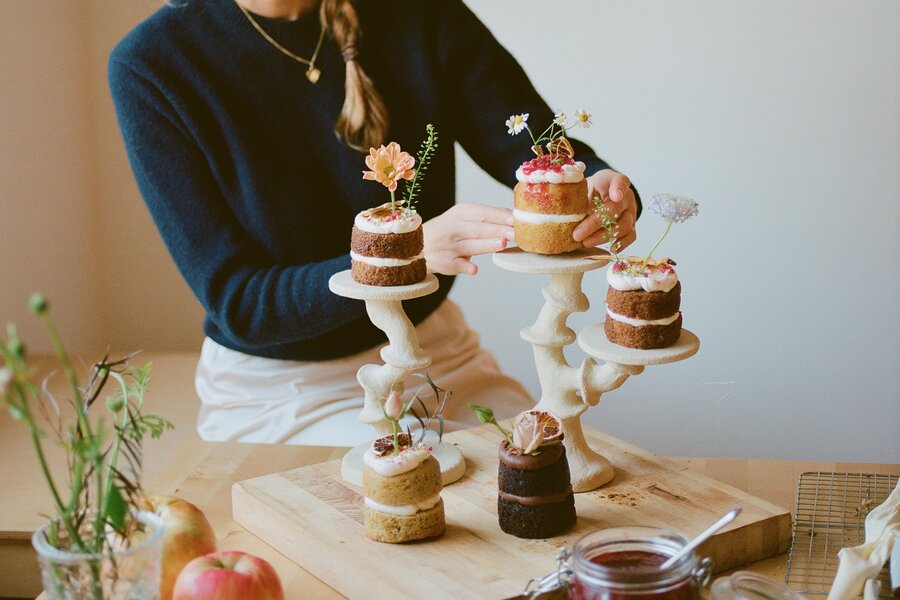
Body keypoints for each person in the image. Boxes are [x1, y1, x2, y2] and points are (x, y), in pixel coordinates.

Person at [109, 0, 640, 446]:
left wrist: (599, 185)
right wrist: (398, 259)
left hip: (436, 353)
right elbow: (241, 303)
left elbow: (533, 143)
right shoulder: (152, 64)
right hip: (285, 389)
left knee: (548, 460)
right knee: (427, 489)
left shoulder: (419, 13)